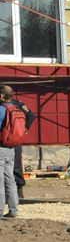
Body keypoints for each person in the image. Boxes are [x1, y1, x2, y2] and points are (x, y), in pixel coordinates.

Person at [0, 86, 36, 218]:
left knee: (1, 181)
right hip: (13, 146)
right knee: (10, 178)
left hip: (1, 146)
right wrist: (23, 132)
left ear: (1, 96)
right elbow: (31, 116)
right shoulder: (18, 106)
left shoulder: (2, 109)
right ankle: (14, 209)